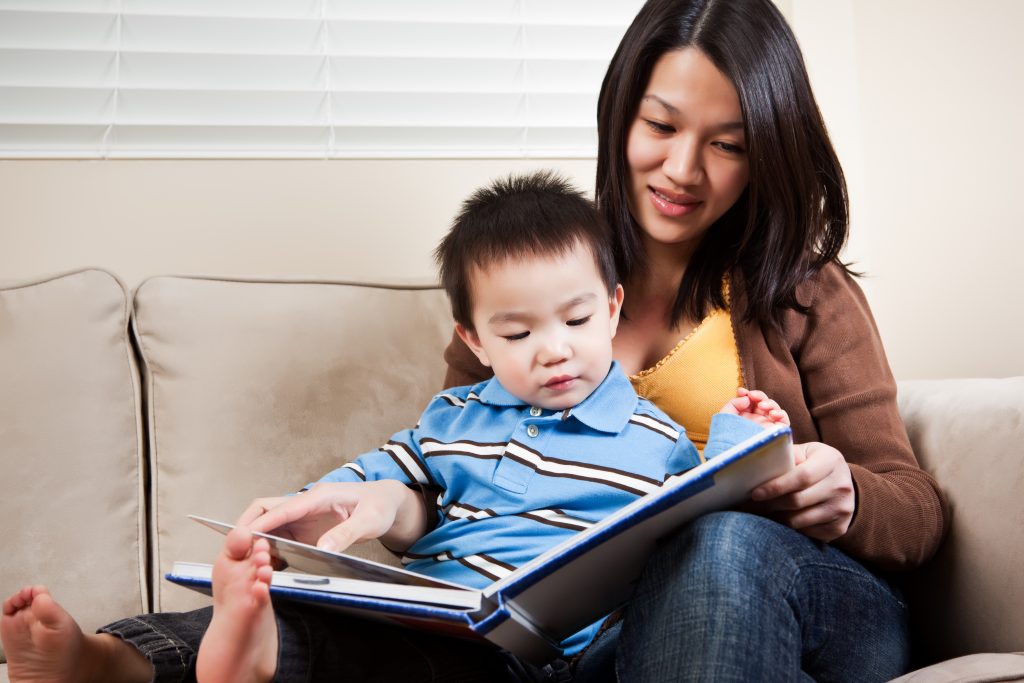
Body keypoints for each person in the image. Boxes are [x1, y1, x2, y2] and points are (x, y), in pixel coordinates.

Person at [1, 171, 790, 683]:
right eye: (515, 335)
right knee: (295, 610)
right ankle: (110, 659)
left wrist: (733, 441)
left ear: (612, 307)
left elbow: (699, 523)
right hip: (447, 620)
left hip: (563, 653)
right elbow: (397, 475)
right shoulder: (454, 417)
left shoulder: (653, 438)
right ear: (474, 340)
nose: (552, 350)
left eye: (577, 319)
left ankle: (255, 655)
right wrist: (336, 502)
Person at [443, 1, 948, 681]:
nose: (683, 168)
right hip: (607, 630)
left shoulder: (805, 288)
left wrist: (848, 494)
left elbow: (916, 513)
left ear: (765, 151)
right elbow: (444, 467)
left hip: (810, 597)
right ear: (622, 112)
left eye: (728, 144)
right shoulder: (523, 280)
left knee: (716, 543)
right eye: (661, 124)